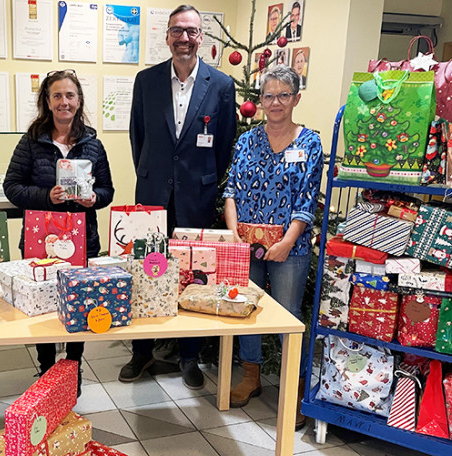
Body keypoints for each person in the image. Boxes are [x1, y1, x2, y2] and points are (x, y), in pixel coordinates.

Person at [123, 4, 236, 390]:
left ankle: (190, 356)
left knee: (195, 277)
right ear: (167, 35)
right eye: (177, 31)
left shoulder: (220, 85)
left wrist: (200, 180)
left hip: (196, 200)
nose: (184, 38)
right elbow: (138, 138)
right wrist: (152, 175)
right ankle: (142, 353)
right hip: (152, 197)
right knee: (143, 271)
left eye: (191, 31)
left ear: (201, 37)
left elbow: (223, 146)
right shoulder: (146, 81)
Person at [3, 70, 115, 395]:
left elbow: (108, 190)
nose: (64, 102)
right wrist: (45, 196)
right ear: (47, 102)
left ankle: (73, 367)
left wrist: (94, 198)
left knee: (79, 303)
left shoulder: (93, 143)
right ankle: (46, 367)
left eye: (70, 95)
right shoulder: (32, 140)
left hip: (83, 240)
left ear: (78, 101)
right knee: (43, 304)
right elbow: (11, 187)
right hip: (42, 241)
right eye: (57, 96)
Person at [223, 65, 323, 428]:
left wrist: (287, 241)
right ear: (259, 101)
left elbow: (306, 200)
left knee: (288, 317)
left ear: (296, 98)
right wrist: (233, 232)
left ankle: (294, 388)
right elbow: (231, 190)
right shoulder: (247, 140)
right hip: (246, 246)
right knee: (246, 312)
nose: (276, 102)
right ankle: (251, 377)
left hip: (289, 249)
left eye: (284, 95)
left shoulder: (309, 142)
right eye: (269, 96)